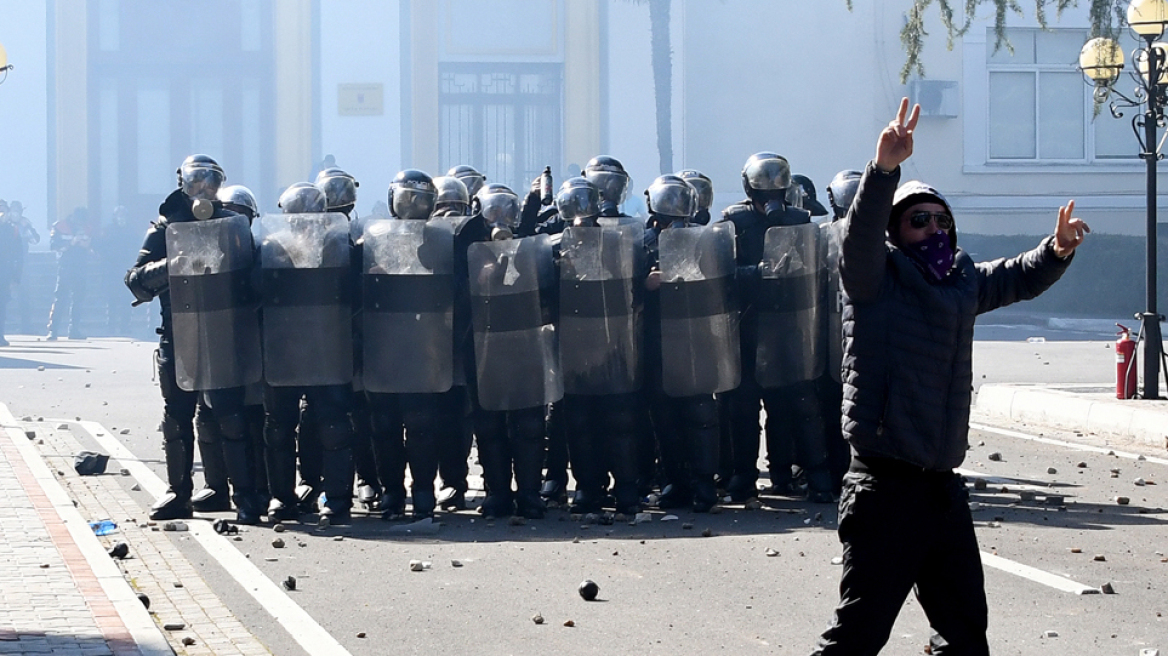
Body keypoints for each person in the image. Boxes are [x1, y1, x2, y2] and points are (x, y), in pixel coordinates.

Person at [809, 99, 1088, 655]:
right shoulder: (874, 279)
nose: (934, 228)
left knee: (964, 636)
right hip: (883, 489)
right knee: (857, 640)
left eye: (943, 220)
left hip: (940, 487)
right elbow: (859, 236)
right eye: (920, 220)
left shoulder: (959, 280)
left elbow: (1013, 278)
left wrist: (1056, 250)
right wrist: (885, 171)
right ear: (897, 230)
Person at [125, 154, 242, 521]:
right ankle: (178, 492)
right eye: (197, 181)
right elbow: (136, 280)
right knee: (177, 416)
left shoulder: (229, 224)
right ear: (183, 184)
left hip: (222, 331)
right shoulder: (165, 227)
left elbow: (251, 271)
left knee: (227, 416)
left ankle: (239, 492)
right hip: (178, 332)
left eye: (212, 182)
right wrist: (174, 262)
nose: (204, 189)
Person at [723, 153, 831, 502]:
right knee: (744, 406)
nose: (769, 202)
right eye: (762, 195)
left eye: (775, 194)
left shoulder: (800, 220)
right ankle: (743, 475)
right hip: (749, 324)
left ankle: (808, 474)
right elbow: (723, 274)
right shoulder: (733, 222)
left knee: (797, 403)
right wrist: (760, 271)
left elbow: (814, 271)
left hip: (789, 324)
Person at [259, 183, 356, 525]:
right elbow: (256, 295)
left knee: (333, 426)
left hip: (326, 344)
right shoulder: (269, 247)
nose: (303, 222)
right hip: (283, 346)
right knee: (278, 429)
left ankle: (337, 500)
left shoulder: (340, 245)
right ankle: (282, 498)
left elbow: (356, 293)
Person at [554, 176, 647, 516]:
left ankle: (626, 489)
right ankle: (588, 488)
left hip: (614, 342)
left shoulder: (620, 240)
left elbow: (636, 283)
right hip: (575, 345)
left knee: (619, 421)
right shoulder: (555, 245)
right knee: (580, 424)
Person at [48, 207, 93, 340]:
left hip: (81, 266)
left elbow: (91, 244)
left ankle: (74, 330)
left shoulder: (87, 227)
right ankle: (53, 330)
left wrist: (85, 244)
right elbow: (53, 245)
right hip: (66, 265)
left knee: (78, 299)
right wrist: (71, 243)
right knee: (60, 298)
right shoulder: (60, 226)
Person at [0, 206, 20, 346]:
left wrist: (15, 275)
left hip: (4, 270)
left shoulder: (11, 229)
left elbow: (17, 254)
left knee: (2, 304)